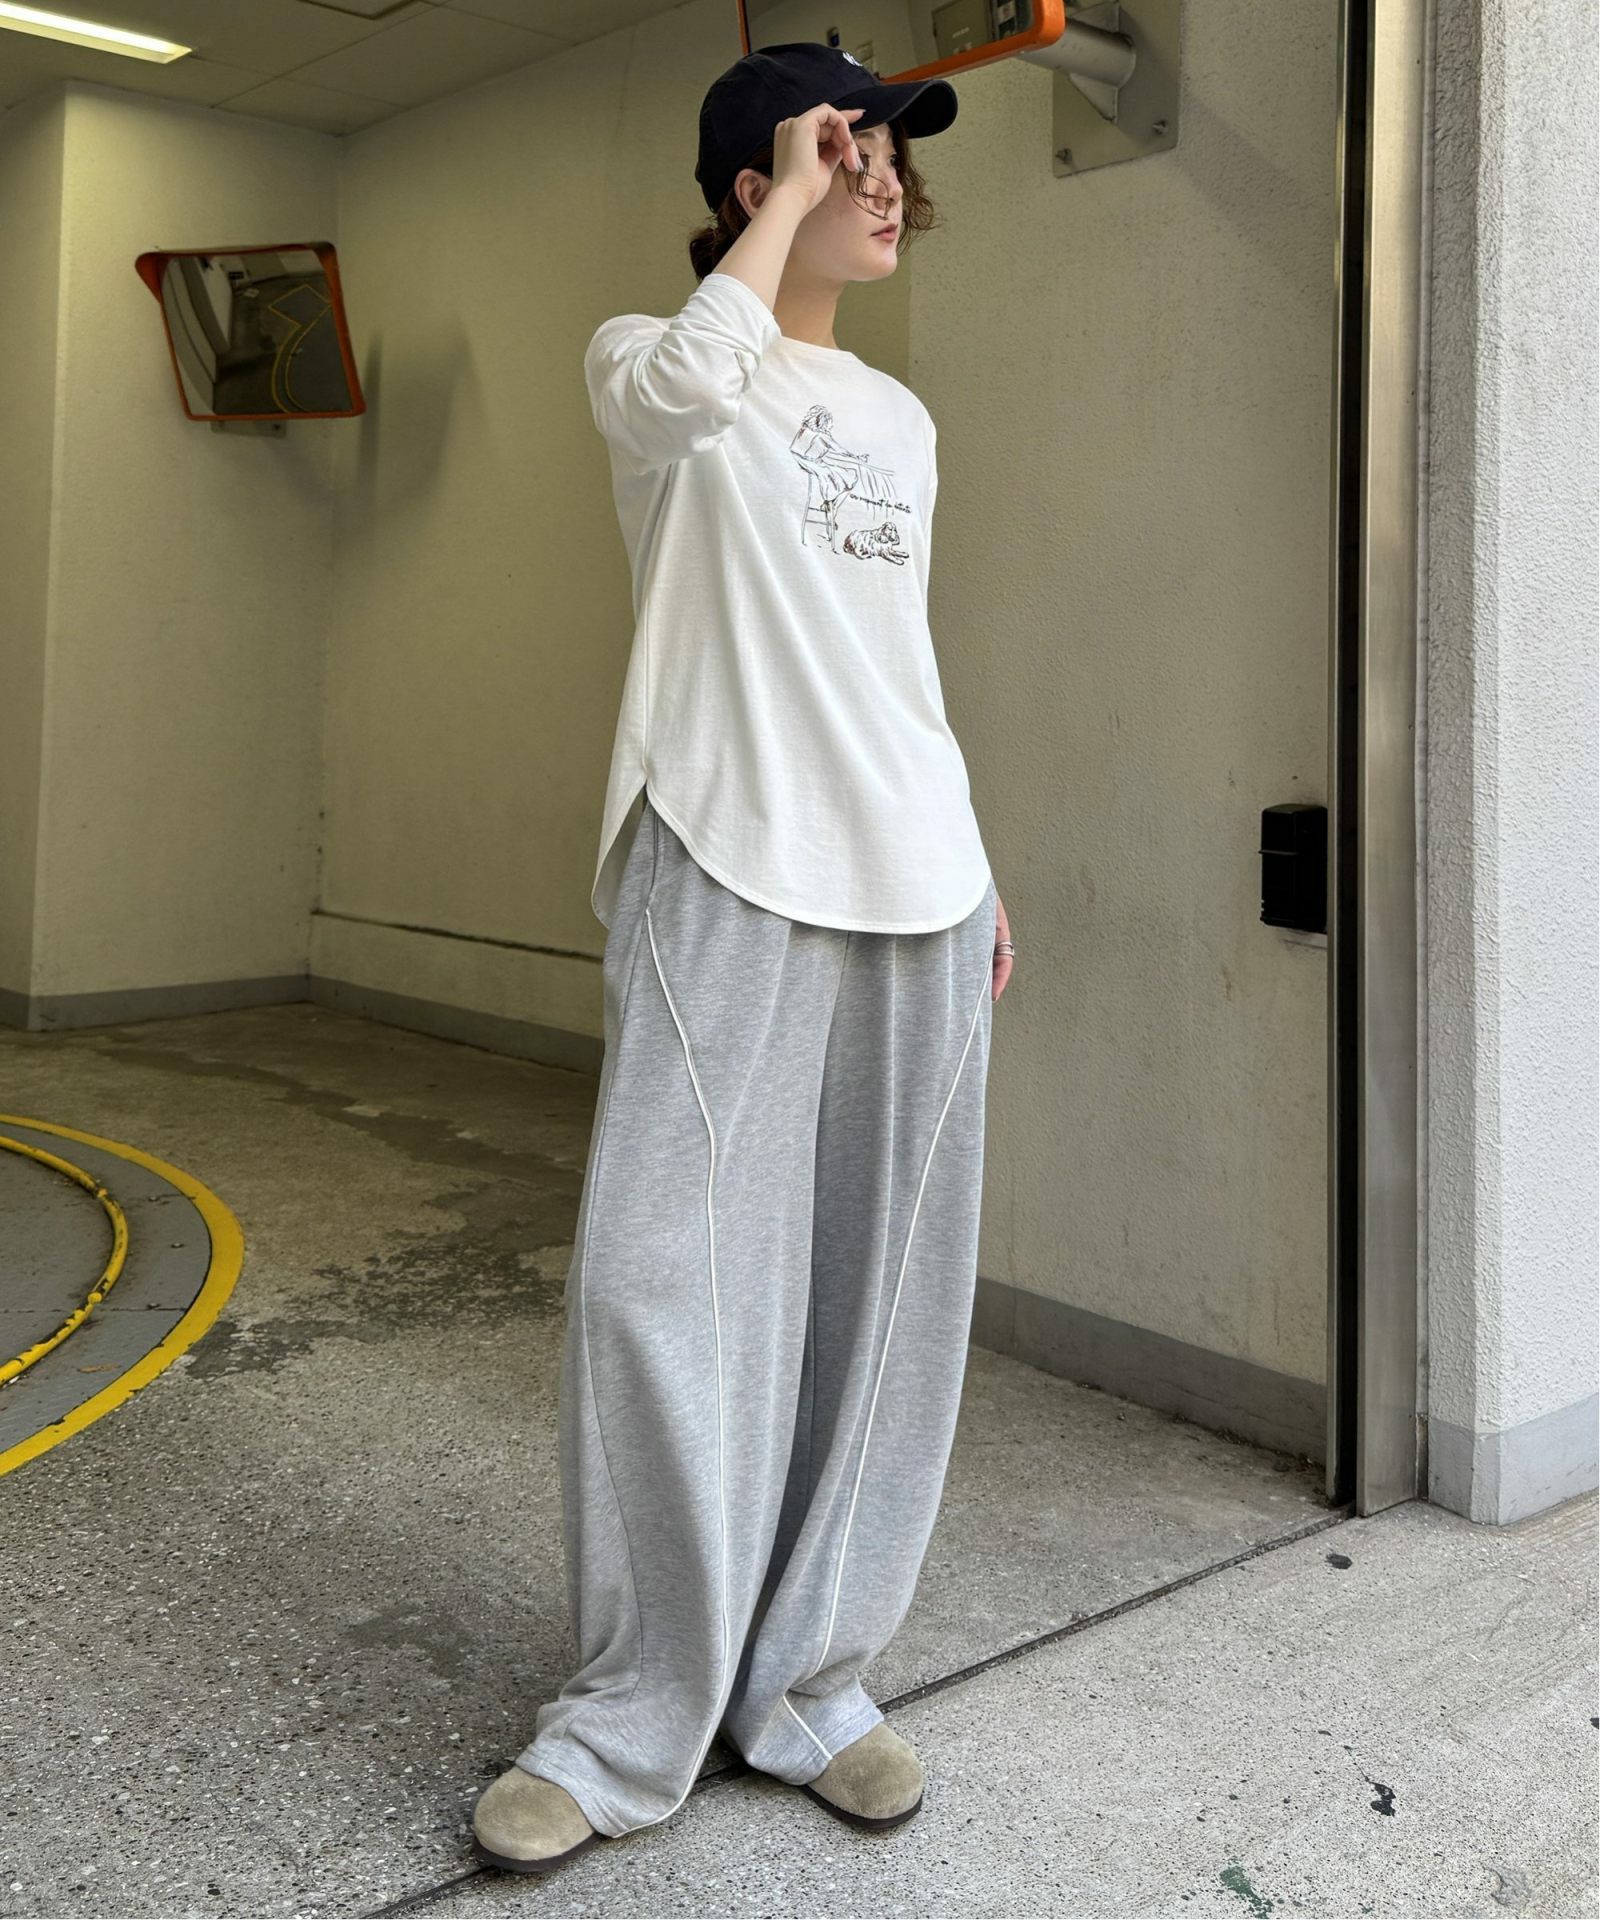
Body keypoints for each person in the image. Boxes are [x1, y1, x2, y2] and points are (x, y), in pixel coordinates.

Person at [471, 40, 1016, 1876]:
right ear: (753, 180)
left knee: (884, 1298)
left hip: (918, 880)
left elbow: (896, 667)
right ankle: (631, 1715)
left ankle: (811, 1686)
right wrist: (783, 196)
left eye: (892, 157)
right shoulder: (658, 357)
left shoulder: (905, 422)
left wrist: (982, 863)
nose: (887, 182)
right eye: (855, 149)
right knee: (661, 1279)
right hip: (721, 855)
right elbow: (684, 389)